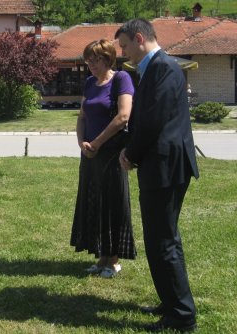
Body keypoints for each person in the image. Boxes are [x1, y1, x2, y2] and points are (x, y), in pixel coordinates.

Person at [115, 19, 199, 332]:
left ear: (139, 38)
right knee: (159, 239)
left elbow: (153, 119)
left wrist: (130, 154)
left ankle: (182, 315)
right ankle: (171, 302)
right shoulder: (157, 68)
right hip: (160, 165)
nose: (123, 52)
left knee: (163, 241)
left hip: (165, 167)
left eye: (124, 45)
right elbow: (146, 117)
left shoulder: (164, 67)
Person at [70, 39, 136, 279]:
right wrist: (82, 143)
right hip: (89, 153)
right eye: (88, 60)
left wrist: (96, 143)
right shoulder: (89, 83)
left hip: (111, 154)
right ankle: (101, 258)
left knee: (113, 204)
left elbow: (123, 117)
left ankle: (114, 260)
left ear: (108, 59)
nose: (91, 64)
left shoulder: (121, 79)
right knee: (95, 202)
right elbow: (82, 117)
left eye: (96, 59)